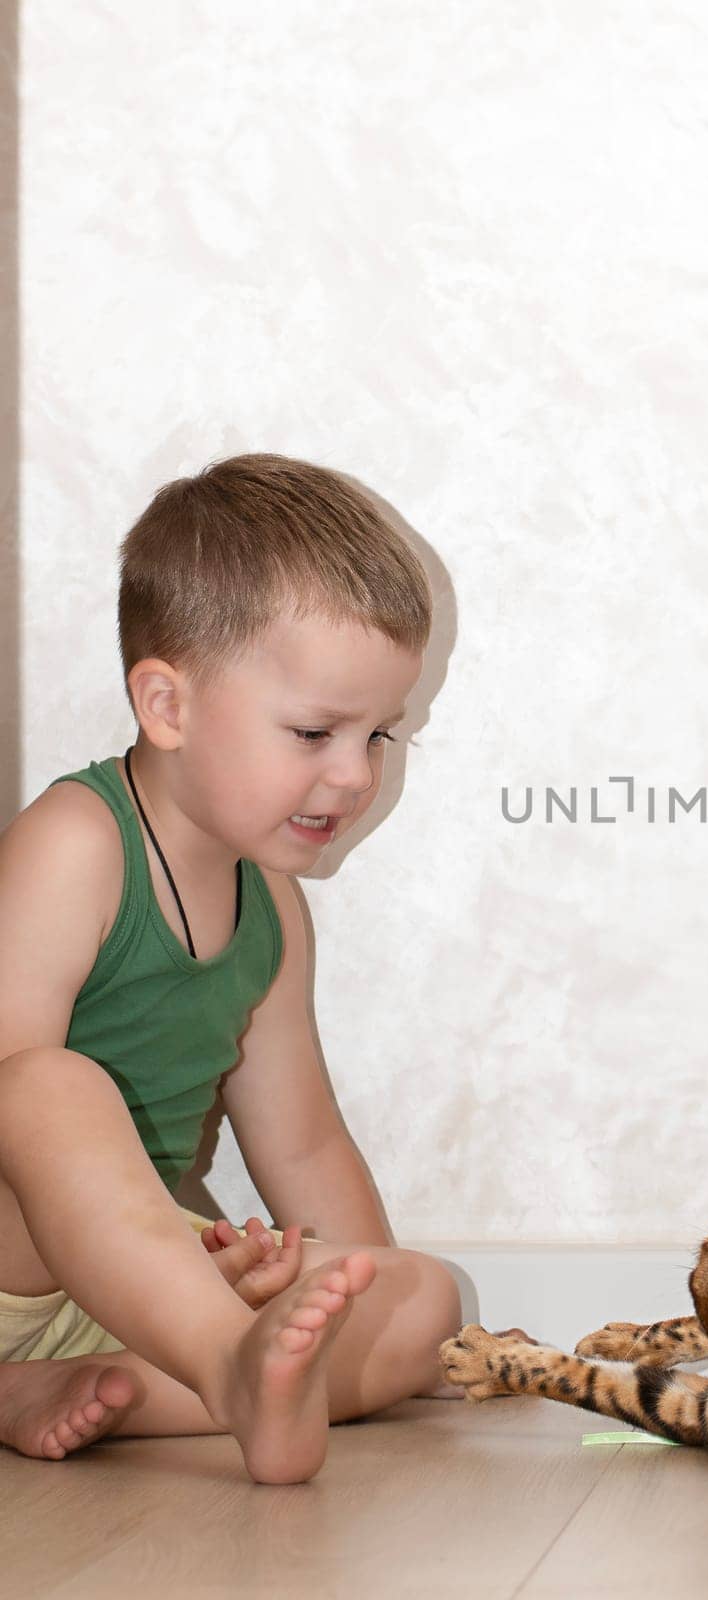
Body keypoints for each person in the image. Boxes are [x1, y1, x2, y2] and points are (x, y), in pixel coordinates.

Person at [0, 454, 469, 1484]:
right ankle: (223, 1367)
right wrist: (177, 1265)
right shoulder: (78, 843)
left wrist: (340, 1285)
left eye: (377, 734)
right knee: (46, 1084)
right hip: (16, 1246)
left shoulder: (274, 914)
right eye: (314, 731)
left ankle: (105, 1386)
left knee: (425, 1304)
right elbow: (17, 1112)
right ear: (166, 706)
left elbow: (302, 1145)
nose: (353, 773)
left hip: (119, 1291)